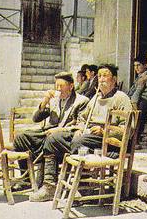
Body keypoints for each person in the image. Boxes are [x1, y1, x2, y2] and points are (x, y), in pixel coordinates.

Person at [29, 63, 134, 202]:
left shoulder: (121, 98)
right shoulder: (96, 98)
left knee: (78, 142)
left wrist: (104, 131)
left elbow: (129, 129)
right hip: (88, 137)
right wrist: (79, 128)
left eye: (105, 76)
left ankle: (81, 186)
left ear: (114, 80)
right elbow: (83, 118)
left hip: (108, 142)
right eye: (100, 75)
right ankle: (49, 186)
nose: (101, 79)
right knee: (53, 139)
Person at [12, 71, 89, 175]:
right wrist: (45, 101)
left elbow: (81, 126)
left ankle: (47, 177)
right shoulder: (54, 100)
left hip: (64, 137)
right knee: (21, 138)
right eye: (56, 86)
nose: (58, 89)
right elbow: (35, 119)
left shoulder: (81, 101)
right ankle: (26, 179)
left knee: (50, 139)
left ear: (71, 86)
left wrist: (59, 130)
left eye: (61, 86)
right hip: (48, 133)